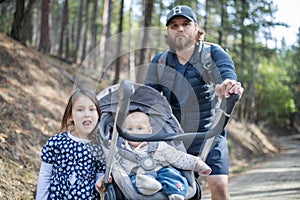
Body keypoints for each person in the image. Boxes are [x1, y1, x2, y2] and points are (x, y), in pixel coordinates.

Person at [144, 5, 244, 200]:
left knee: (219, 187)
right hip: (175, 139)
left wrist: (227, 85)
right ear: (168, 32)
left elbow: (226, 73)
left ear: (196, 28)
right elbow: (148, 97)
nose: (180, 29)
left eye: (185, 24)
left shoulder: (212, 53)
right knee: (176, 191)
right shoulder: (161, 61)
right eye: (174, 25)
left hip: (210, 135)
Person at [121, 111, 212, 200]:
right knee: (135, 181)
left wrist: (196, 163)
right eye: (129, 129)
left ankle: (176, 193)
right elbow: (112, 164)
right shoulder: (120, 148)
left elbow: (177, 157)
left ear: (149, 131)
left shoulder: (159, 145)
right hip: (138, 174)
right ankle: (148, 186)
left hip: (160, 171)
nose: (134, 132)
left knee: (171, 174)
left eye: (139, 128)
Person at [36, 88, 107, 199]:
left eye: (92, 109)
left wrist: (100, 185)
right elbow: (45, 175)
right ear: (70, 116)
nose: (86, 114)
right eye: (80, 110)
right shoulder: (57, 142)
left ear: (98, 115)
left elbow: (99, 179)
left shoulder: (99, 148)